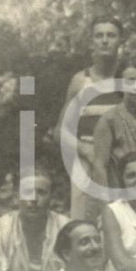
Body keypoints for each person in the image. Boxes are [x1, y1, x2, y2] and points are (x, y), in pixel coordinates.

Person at [53, 16, 125, 221]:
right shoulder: (80, 81)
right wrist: (87, 151)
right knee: (84, 225)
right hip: (86, 161)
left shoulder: (128, 79)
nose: (104, 40)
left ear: (120, 41)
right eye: (99, 35)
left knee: (122, 225)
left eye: (111, 35)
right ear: (91, 41)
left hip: (120, 162)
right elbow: (59, 132)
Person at [92, 62, 136, 200]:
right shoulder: (109, 120)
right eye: (130, 82)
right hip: (119, 196)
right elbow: (99, 167)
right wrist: (109, 205)